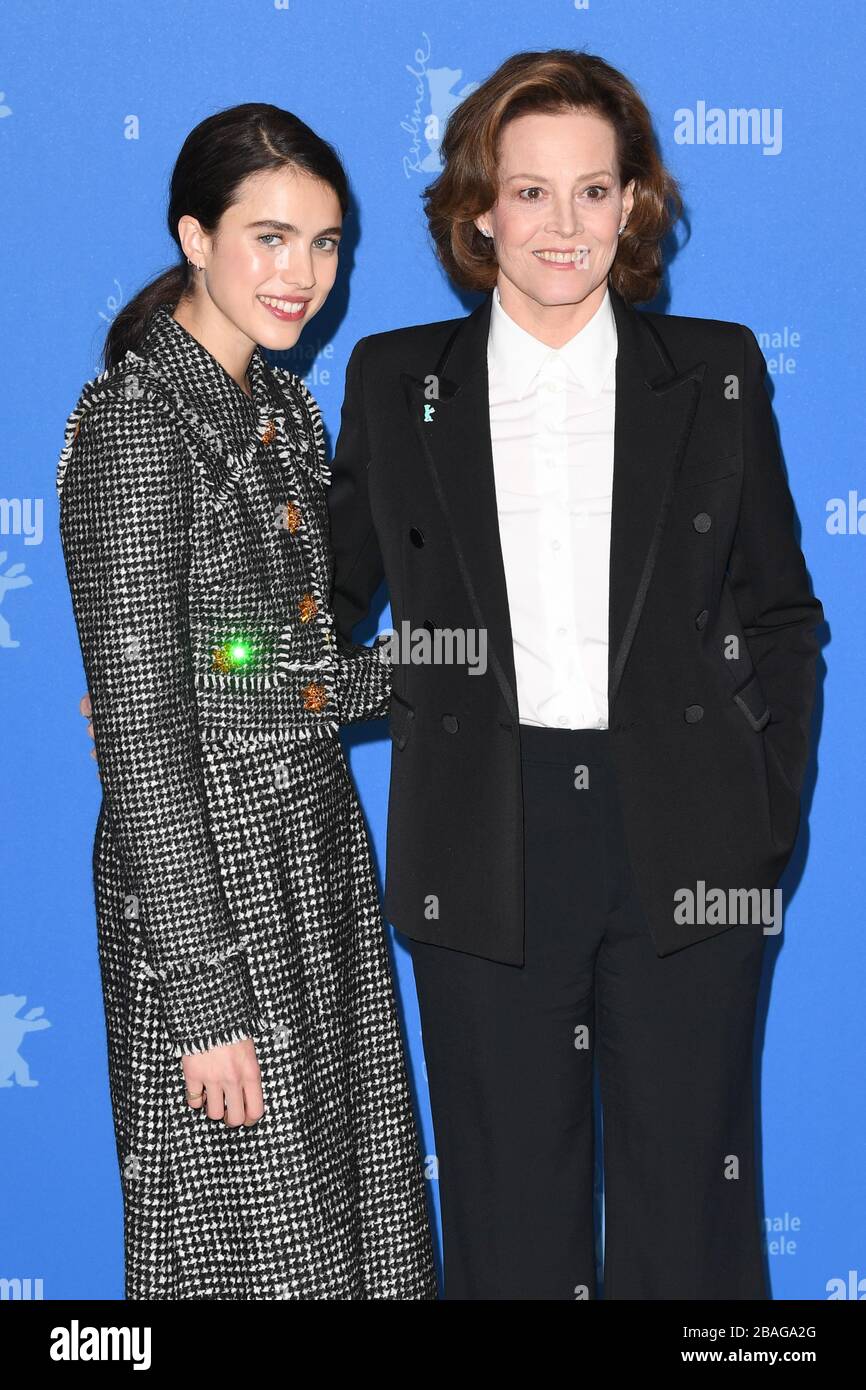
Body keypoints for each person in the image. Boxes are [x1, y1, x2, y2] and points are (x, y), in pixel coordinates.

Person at [325, 50, 824, 1299]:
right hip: (481, 837)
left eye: (592, 190)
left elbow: (780, 612)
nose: (563, 224)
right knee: (507, 1232)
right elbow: (320, 609)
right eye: (529, 191)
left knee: (690, 1234)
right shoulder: (396, 378)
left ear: (631, 204)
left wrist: (764, 814)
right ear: (478, 209)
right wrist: (196, 675)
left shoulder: (713, 370)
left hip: (691, 835)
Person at [58, 102, 436, 1301]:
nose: (301, 276)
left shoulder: (282, 409)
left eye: (323, 244)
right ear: (194, 236)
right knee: (243, 1254)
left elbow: (272, 664)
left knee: (356, 1236)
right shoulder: (135, 424)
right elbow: (143, 735)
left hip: (313, 859)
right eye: (269, 237)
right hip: (207, 887)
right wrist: (205, 998)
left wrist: (438, 660)